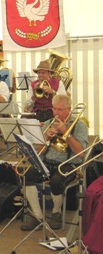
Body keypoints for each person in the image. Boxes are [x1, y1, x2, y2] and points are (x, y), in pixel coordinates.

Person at [20, 95, 88, 231]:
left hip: (69, 164)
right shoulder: (48, 123)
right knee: (27, 175)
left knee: (57, 181)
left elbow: (81, 153)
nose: (56, 113)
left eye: (60, 109)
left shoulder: (80, 125)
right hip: (48, 161)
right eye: (54, 109)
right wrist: (46, 138)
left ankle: (56, 213)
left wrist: (66, 134)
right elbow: (40, 151)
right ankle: (37, 216)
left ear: (69, 109)